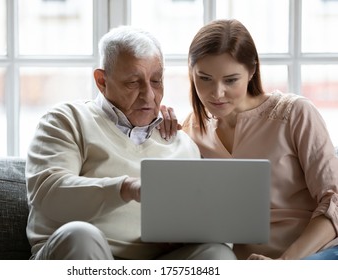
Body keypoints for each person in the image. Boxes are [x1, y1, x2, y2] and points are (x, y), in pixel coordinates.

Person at [25, 25, 236, 260]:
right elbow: (48, 193)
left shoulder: (181, 143)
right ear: (102, 80)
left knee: (218, 254)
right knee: (81, 235)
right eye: (133, 83)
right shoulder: (66, 120)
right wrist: (127, 188)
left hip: (154, 264)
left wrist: (194, 232)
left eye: (156, 81)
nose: (149, 95)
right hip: (81, 253)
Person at [181, 19, 338, 260]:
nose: (217, 93)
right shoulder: (192, 129)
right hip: (241, 261)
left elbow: (334, 201)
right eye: (204, 78)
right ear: (191, 72)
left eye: (231, 80)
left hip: (313, 252)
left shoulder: (295, 113)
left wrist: (283, 264)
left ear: (252, 70)